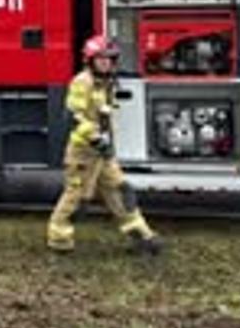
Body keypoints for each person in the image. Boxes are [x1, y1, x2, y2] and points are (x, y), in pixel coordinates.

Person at [46, 35, 163, 255]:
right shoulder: (83, 82)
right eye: (100, 59)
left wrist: (105, 144)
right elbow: (73, 117)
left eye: (109, 59)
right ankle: (59, 239)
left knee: (121, 191)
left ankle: (142, 236)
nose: (106, 63)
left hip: (103, 153)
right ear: (90, 61)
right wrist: (95, 138)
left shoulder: (106, 83)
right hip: (83, 153)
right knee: (77, 198)